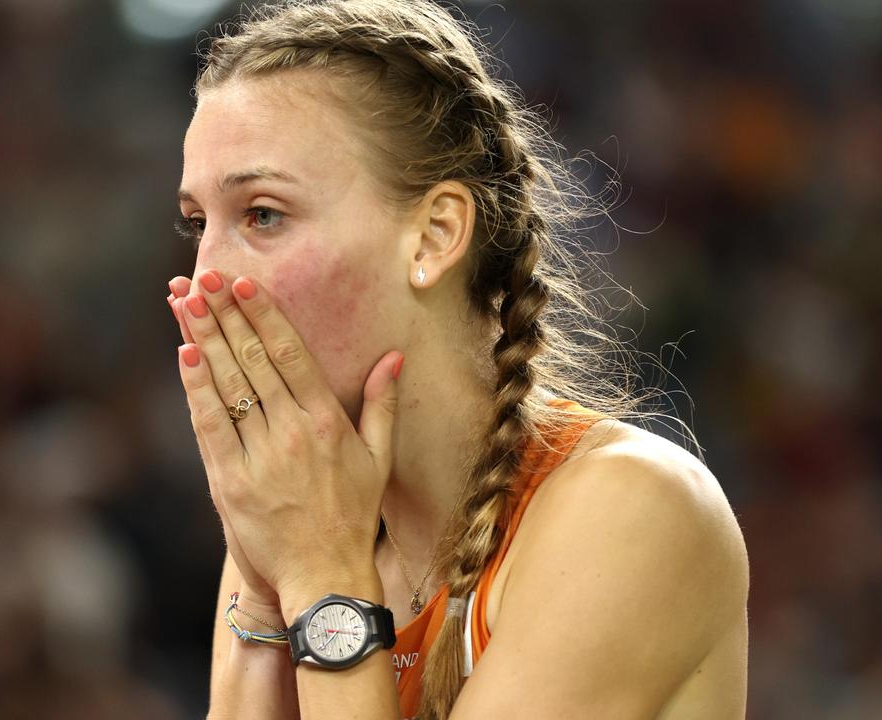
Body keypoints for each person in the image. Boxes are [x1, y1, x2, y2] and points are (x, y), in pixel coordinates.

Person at [164, 1, 749, 717]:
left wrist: (321, 581)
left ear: (436, 235)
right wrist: (260, 592)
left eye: (262, 214)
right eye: (198, 223)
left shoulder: (635, 509)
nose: (204, 276)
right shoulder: (300, 520)